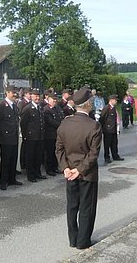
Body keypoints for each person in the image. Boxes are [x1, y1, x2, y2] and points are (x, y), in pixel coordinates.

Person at [56, 87, 102, 250]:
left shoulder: (65, 123)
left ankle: (73, 239)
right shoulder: (94, 126)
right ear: (88, 104)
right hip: (86, 174)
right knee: (86, 208)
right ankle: (83, 241)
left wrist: (66, 168)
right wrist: (79, 170)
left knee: (72, 206)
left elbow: (59, 149)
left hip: (70, 173)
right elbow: (93, 154)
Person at [0, 85, 23, 190]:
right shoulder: (1, 105)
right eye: (12, 92)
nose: (14, 94)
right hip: (5, 138)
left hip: (14, 137)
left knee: (13, 159)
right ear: (7, 93)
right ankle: (4, 181)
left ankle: (12, 179)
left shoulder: (15, 106)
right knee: (6, 161)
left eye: (15, 92)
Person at [20, 89, 46, 182]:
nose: (37, 98)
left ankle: (37, 173)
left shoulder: (40, 108)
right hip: (31, 137)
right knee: (30, 157)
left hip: (39, 136)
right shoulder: (27, 109)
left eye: (38, 96)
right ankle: (31, 175)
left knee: (38, 156)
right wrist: (25, 136)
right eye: (35, 96)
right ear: (31, 97)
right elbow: (23, 124)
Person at [43, 93, 64, 176]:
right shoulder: (46, 109)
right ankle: (49, 169)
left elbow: (61, 117)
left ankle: (55, 167)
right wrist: (62, 125)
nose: (55, 100)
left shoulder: (57, 108)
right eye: (53, 99)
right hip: (49, 135)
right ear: (49, 100)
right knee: (49, 153)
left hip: (57, 134)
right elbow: (51, 122)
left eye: (55, 99)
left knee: (56, 152)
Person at [99, 94, 124, 164]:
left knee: (114, 143)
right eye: (115, 100)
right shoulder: (106, 108)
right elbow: (102, 118)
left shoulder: (113, 108)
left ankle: (115, 155)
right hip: (108, 130)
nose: (116, 101)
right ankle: (107, 157)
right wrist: (104, 128)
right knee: (107, 144)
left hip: (113, 129)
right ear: (111, 100)